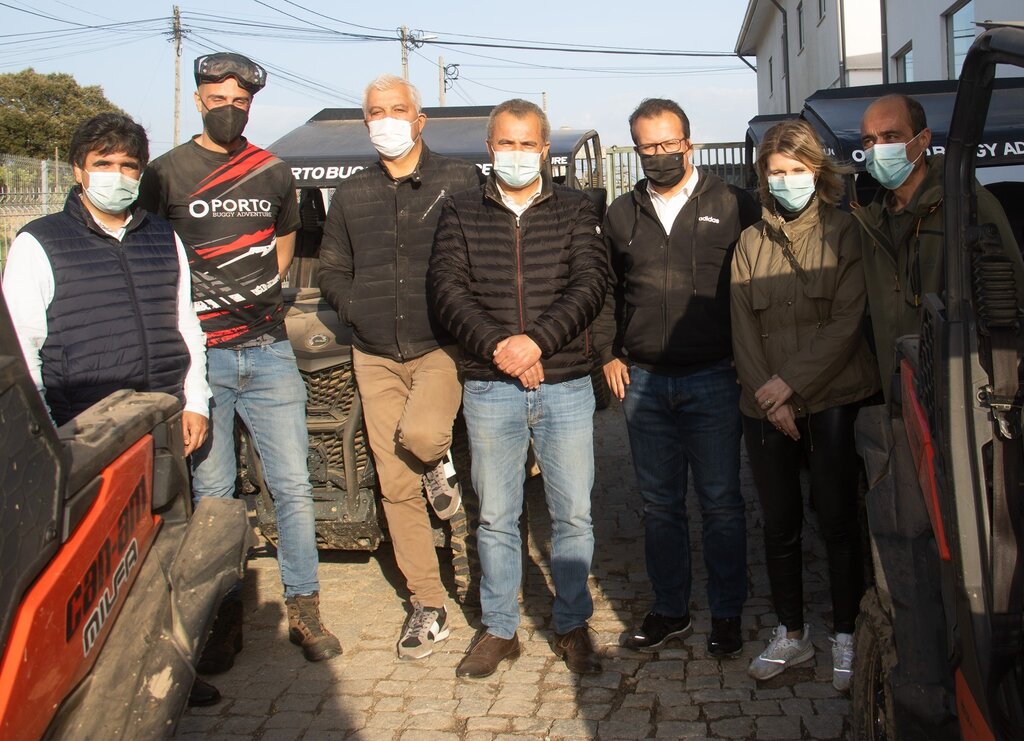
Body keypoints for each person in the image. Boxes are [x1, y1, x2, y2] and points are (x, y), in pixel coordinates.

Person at [3, 112, 222, 707]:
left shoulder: (161, 236)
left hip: (159, 427)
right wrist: (45, 438)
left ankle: (170, 669)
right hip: (84, 436)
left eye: (128, 166)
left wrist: (194, 401)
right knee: (96, 572)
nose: (117, 176)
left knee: (164, 554)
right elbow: (23, 346)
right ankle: (95, 690)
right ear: (78, 171)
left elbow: (187, 325)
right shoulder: (40, 242)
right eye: (103, 164)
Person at [137, 52, 340, 671]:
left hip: (269, 349)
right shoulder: (165, 173)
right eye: (218, 99)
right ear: (199, 99)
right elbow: (151, 251)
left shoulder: (273, 171)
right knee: (216, 492)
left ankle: (303, 607)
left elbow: (286, 236)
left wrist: (262, 289)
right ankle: (222, 614)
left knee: (292, 486)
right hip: (202, 360)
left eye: (241, 102)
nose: (230, 109)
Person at [429, 98, 607, 679]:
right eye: (505, 143)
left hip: (565, 384)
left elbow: (590, 285)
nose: (515, 154)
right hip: (490, 386)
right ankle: (500, 628)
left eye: (526, 143)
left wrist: (536, 343)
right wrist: (502, 348)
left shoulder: (577, 209)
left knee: (573, 515)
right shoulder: (459, 211)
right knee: (496, 515)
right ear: (489, 149)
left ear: (544, 149)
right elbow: (448, 292)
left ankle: (572, 622)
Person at [317, 74, 481, 660]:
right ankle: (428, 603)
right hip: (374, 352)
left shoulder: (460, 179)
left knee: (421, 435)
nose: (384, 120)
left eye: (396, 109)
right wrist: (355, 306)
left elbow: (481, 256)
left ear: (419, 120)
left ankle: (440, 466)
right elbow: (330, 269)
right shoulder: (352, 193)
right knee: (396, 486)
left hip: (440, 346)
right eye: (374, 112)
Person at [593, 98, 759, 659]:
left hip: (715, 377)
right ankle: (670, 609)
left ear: (689, 142)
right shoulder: (621, 213)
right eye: (648, 147)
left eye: (669, 144)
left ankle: (728, 612)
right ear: (636, 148)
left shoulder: (736, 203)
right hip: (644, 382)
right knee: (660, 504)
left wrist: (750, 358)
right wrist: (610, 352)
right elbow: (609, 292)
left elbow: (756, 282)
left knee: (721, 501)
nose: (659, 156)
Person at [730, 119, 880, 690]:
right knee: (779, 524)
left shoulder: (845, 232)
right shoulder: (749, 243)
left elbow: (846, 324)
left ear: (816, 171)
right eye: (776, 172)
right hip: (765, 406)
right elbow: (741, 327)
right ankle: (791, 633)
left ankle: (846, 632)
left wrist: (789, 384)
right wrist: (770, 398)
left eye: (796, 170)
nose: (787, 181)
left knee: (839, 522)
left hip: (834, 399)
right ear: (763, 179)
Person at [853, 93, 1024, 395]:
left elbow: (1013, 295)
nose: (878, 149)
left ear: (923, 139)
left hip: (964, 396)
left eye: (891, 136)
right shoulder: (872, 222)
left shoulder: (966, 203)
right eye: (869, 141)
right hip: (901, 392)